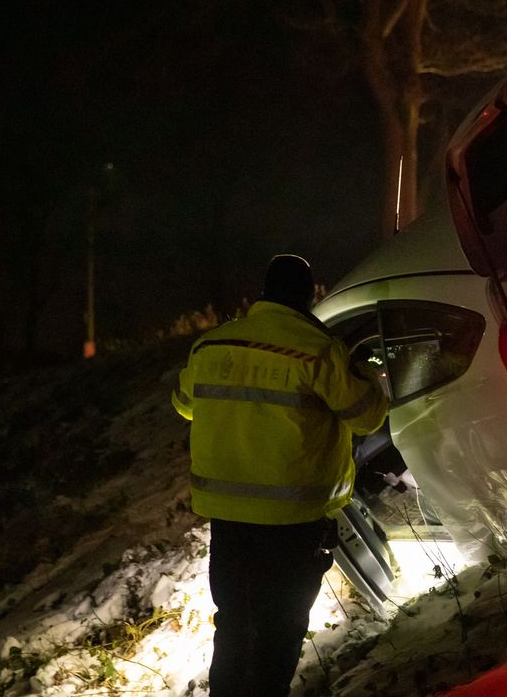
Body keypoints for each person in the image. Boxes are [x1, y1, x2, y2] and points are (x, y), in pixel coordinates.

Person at [172, 254, 388, 696]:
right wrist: (367, 371)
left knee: (234, 620)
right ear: (308, 297)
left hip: (228, 516)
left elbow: (184, 404)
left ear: (264, 292)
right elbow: (367, 417)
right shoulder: (319, 350)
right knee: (280, 627)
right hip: (293, 520)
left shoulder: (211, 346)